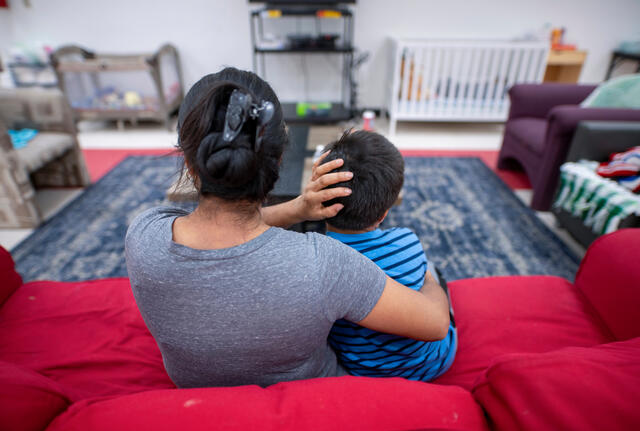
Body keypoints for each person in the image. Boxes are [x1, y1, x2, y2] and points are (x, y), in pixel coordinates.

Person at [125, 67, 450, 388]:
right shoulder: (324, 263)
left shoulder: (144, 236)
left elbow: (217, 229)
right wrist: (429, 276)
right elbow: (435, 324)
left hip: (192, 394)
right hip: (311, 400)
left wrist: (298, 209)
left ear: (190, 166)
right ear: (279, 162)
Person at [321, 130, 457, 381]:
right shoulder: (406, 241)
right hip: (431, 364)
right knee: (432, 271)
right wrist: (429, 281)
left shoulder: (316, 259)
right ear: (384, 213)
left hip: (362, 369)